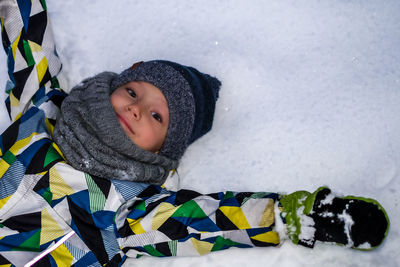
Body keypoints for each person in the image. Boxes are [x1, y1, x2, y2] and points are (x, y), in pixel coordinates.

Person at [0, 0, 389, 266]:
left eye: (156, 116)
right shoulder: (45, 108)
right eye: (133, 91)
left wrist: (299, 216)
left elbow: (206, 220)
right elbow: (28, 37)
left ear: (163, 149)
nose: (136, 108)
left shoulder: (127, 207)